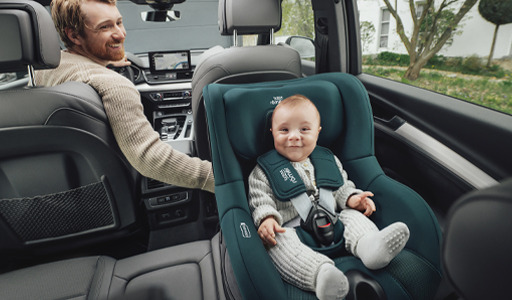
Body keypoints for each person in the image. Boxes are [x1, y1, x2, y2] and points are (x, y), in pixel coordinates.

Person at [35, 0, 214, 193]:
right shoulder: (113, 84)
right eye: (105, 27)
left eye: (119, 22)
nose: (121, 34)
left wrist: (103, 61)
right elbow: (151, 158)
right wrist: (220, 179)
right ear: (74, 35)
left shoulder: (43, 72)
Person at [248, 95, 410, 300]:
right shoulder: (263, 170)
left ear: (318, 132)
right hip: (292, 229)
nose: (294, 136)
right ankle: (321, 276)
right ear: (272, 132)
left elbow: (341, 187)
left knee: (352, 216)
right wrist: (267, 219)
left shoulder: (328, 160)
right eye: (284, 130)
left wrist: (353, 199)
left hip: (333, 220)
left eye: (304, 129)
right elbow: (259, 200)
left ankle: (370, 247)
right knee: (276, 242)